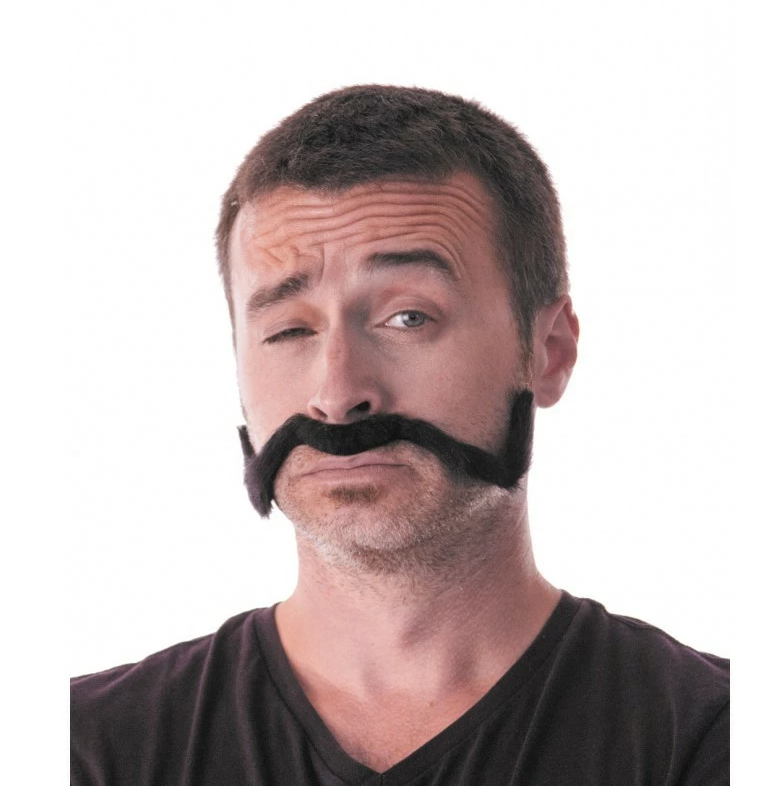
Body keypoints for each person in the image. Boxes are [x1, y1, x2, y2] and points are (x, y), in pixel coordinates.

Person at [71, 85, 729, 785]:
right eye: (289, 330)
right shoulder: (84, 748)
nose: (337, 395)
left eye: (407, 318)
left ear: (549, 351)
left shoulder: (719, 739)